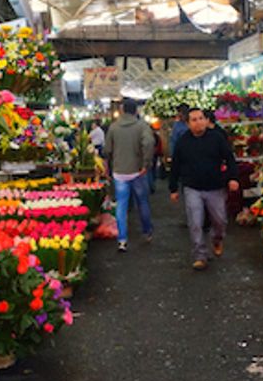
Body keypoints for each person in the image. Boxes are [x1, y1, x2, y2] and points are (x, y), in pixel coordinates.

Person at [170, 107, 239, 270]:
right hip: (192, 187)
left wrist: (233, 178)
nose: (198, 122)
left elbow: (229, 158)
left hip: (215, 187)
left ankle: (217, 238)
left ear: (206, 120)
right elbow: (175, 166)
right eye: (194, 120)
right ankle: (200, 255)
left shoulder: (217, 138)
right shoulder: (183, 142)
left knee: (220, 220)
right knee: (195, 222)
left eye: (201, 118)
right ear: (187, 124)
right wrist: (173, 188)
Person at [102, 101, 155, 252]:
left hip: (119, 172)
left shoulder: (113, 127)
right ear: (135, 110)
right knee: (142, 203)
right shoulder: (141, 126)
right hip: (137, 171)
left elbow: (107, 150)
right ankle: (147, 232)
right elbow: (149, 142)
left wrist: (108, 166)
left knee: (121, 205)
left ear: (122, 110)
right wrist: (146, 163)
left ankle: (122, 240)